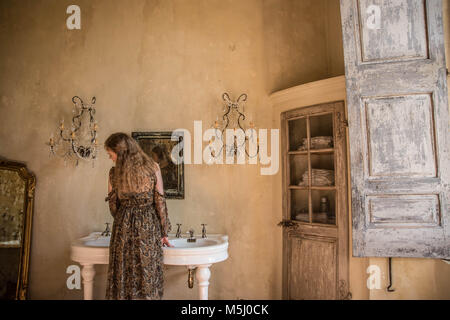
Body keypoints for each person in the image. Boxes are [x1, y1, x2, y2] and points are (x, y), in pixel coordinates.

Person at [104, 132, 173, 300]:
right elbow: (160, 202)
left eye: (110, 153)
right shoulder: (153, 168)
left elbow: (113, 207)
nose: (110, 157)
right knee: (147, 275)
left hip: (123, 227)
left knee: (123, 276)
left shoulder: (114, 173)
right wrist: (164, 232)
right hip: (148, 228)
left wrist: (125, 218)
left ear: (119, 152)